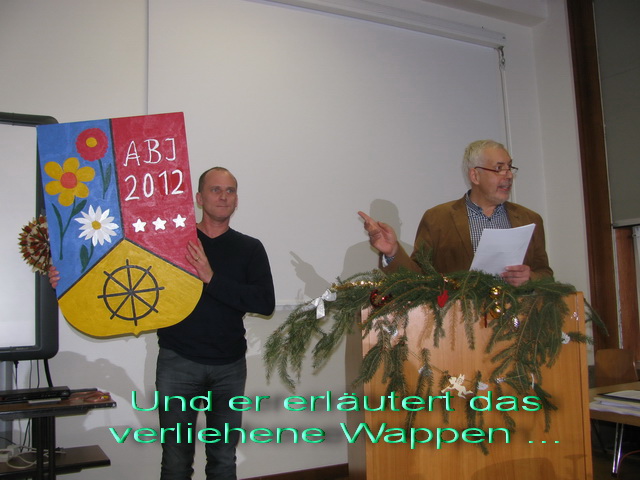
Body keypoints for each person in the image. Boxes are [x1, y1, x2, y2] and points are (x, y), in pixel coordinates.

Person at [50, 166, 275, 480]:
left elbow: (264, 303)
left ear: (236, 200)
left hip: (230, 367)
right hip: (177, 363)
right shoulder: (171, 240)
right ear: (199, 198)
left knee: (223, 458)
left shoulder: (250, 248)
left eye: (230, 191)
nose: (223, 197)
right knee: (175, 460)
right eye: (215, 189)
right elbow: (119, 269)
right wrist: (68, 278)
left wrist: (211, 278)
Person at [359, 140, 552, 286]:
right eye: (499, 168)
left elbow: (545, 273)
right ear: (475, 175)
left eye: (510, 167)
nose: (508, 175)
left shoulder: (529, 219)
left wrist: (530, 277)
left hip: (517, 322)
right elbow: (419, 279)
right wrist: (393, 252)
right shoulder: (437, 219)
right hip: (460, 323)